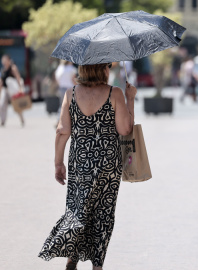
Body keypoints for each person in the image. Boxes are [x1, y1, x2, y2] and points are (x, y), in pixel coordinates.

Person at [38, 62, 137, 270]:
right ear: (101, 69)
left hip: (80, 163)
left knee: (78, 209)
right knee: (103, 213)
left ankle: (71, 257)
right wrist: (130, 99)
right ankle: (97, 265)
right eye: (107, 66)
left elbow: (62, 131)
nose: (109, 70)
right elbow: (125, 129)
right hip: (108, 165)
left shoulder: (71, 94)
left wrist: (58, 163)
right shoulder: (115, 93)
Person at [0, 54, 25, 127]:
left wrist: (20, 88)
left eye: (5, 60)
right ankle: (2, 121)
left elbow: (18, 77)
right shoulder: (3, 70)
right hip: (5, 90)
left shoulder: (13, 68)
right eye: (3, 60)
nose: (4, 62)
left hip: (12, 90)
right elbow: (2, 82)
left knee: (16, 105)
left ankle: (22, 119)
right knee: (2, 104)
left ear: (9, 60)